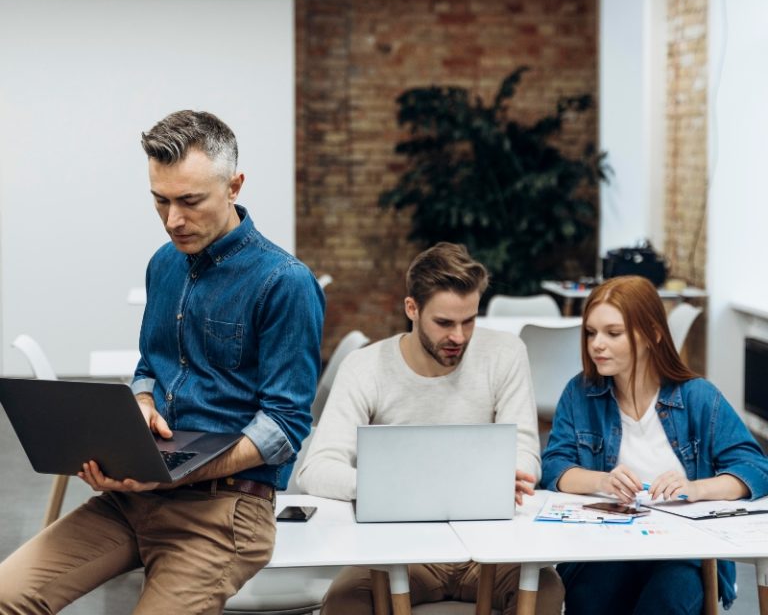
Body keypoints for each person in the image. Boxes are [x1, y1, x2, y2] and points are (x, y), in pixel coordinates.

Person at [0, 110, 325, 614]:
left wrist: (176, 473)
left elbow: (284, 428)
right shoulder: (164, 264)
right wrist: (141, 408)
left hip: (224, 512)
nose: (174, 219)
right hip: (136, 498)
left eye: (190, 201)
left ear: (234, 185)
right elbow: (149, 366)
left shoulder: (285, 283)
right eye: (161, 200)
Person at [298, 242, 564, 615]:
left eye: (469, 320)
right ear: (412, 308)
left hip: (490, 546)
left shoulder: (505, 353)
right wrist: (391, 488)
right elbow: (317, 468)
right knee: (345, 602)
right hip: (400, 549)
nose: (459, 336)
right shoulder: (365, 366)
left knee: (546, 590)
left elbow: (524, 449)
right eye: (444, 323)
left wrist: (518, 473)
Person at [541, 274, 768, 615]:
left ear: (653, 334)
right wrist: (602, 481)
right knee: (590, 600)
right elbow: (554, 467)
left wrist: (696, 488)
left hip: (683, 552)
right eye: (591, 332)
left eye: (612, 333)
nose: (596, 344)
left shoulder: (697, 396)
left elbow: (755, 468)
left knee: (666, 602)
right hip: (603, 549)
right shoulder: (580, 393)